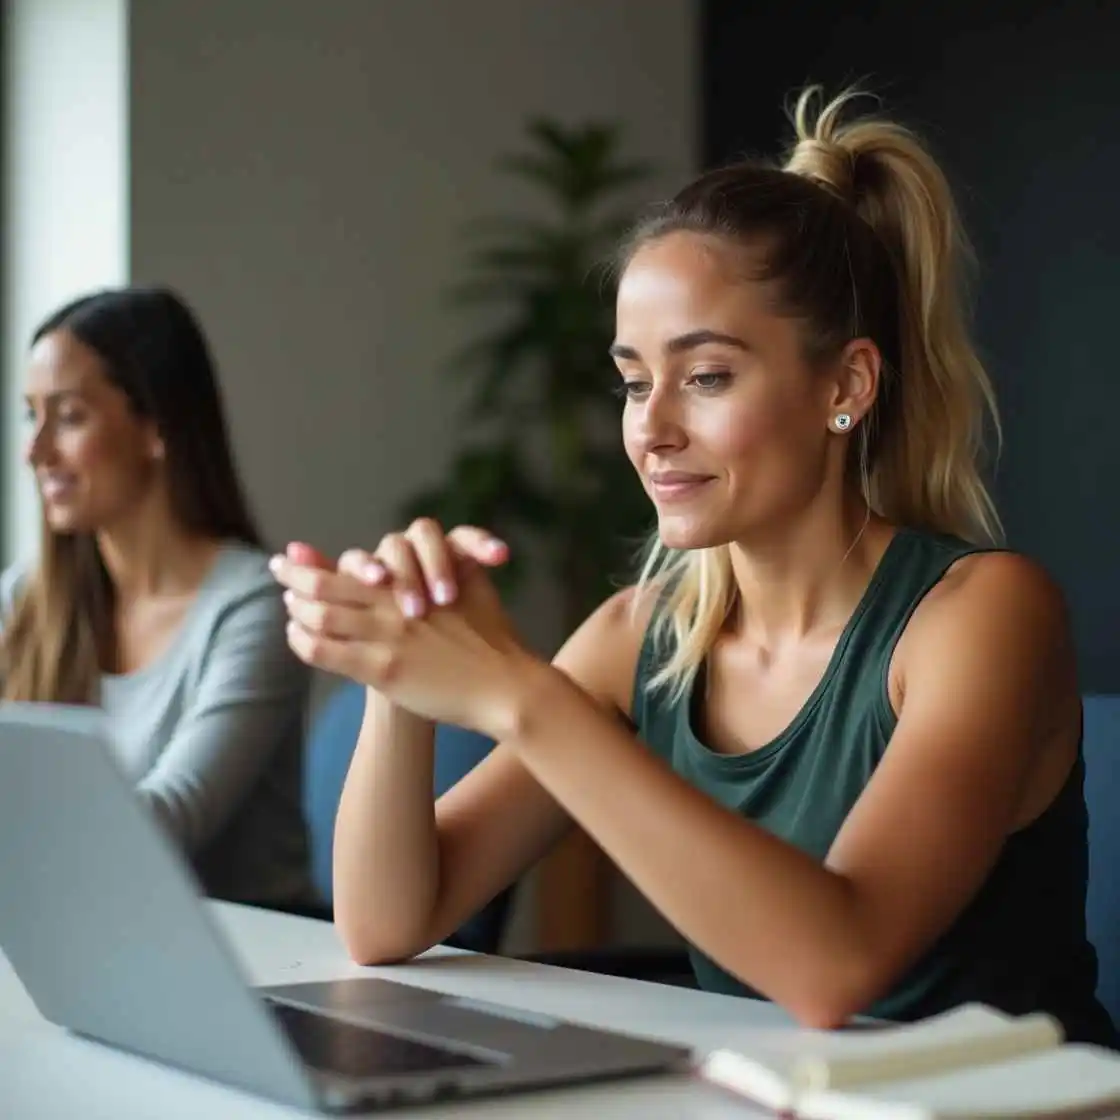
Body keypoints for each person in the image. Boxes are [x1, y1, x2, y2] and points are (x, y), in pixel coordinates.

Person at [270, 88, 1116, 1043]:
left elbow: (836, 965)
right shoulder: (643, 634)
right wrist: (404, 664)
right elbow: (385, 925)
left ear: (845, 384)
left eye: (706, 376)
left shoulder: (982, 615)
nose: (653, 429)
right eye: (635, 382)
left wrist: (518, 695)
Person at [2, 286, 312, 909]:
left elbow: (165, 823)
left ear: (155, 427)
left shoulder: (252, 605)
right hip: (80, 942)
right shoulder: (26, 598)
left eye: (68, 416)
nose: (36, 452)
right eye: (31, 416)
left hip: (260, 972)